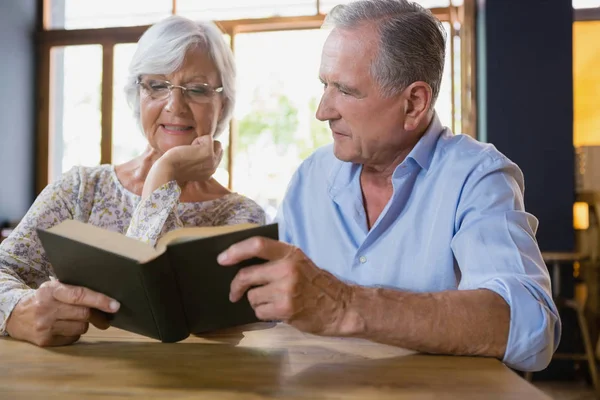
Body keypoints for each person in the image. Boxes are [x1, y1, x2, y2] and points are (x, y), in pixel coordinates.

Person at [217, 0, 560, 372]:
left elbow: (531, 328)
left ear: (414, 103)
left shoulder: (477, 177)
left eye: (346, 91)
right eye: (324, 85)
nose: (323, 111)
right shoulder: (309, 177)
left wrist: (345, 306)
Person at [0, 16, 265, 347]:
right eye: (157, 85)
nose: (174, 105)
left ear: (222, 104)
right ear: (136, 95)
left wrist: (163, 175)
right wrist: (17, 311)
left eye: (196, 89)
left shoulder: (241, 218)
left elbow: (158, 312)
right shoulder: (81, 189)